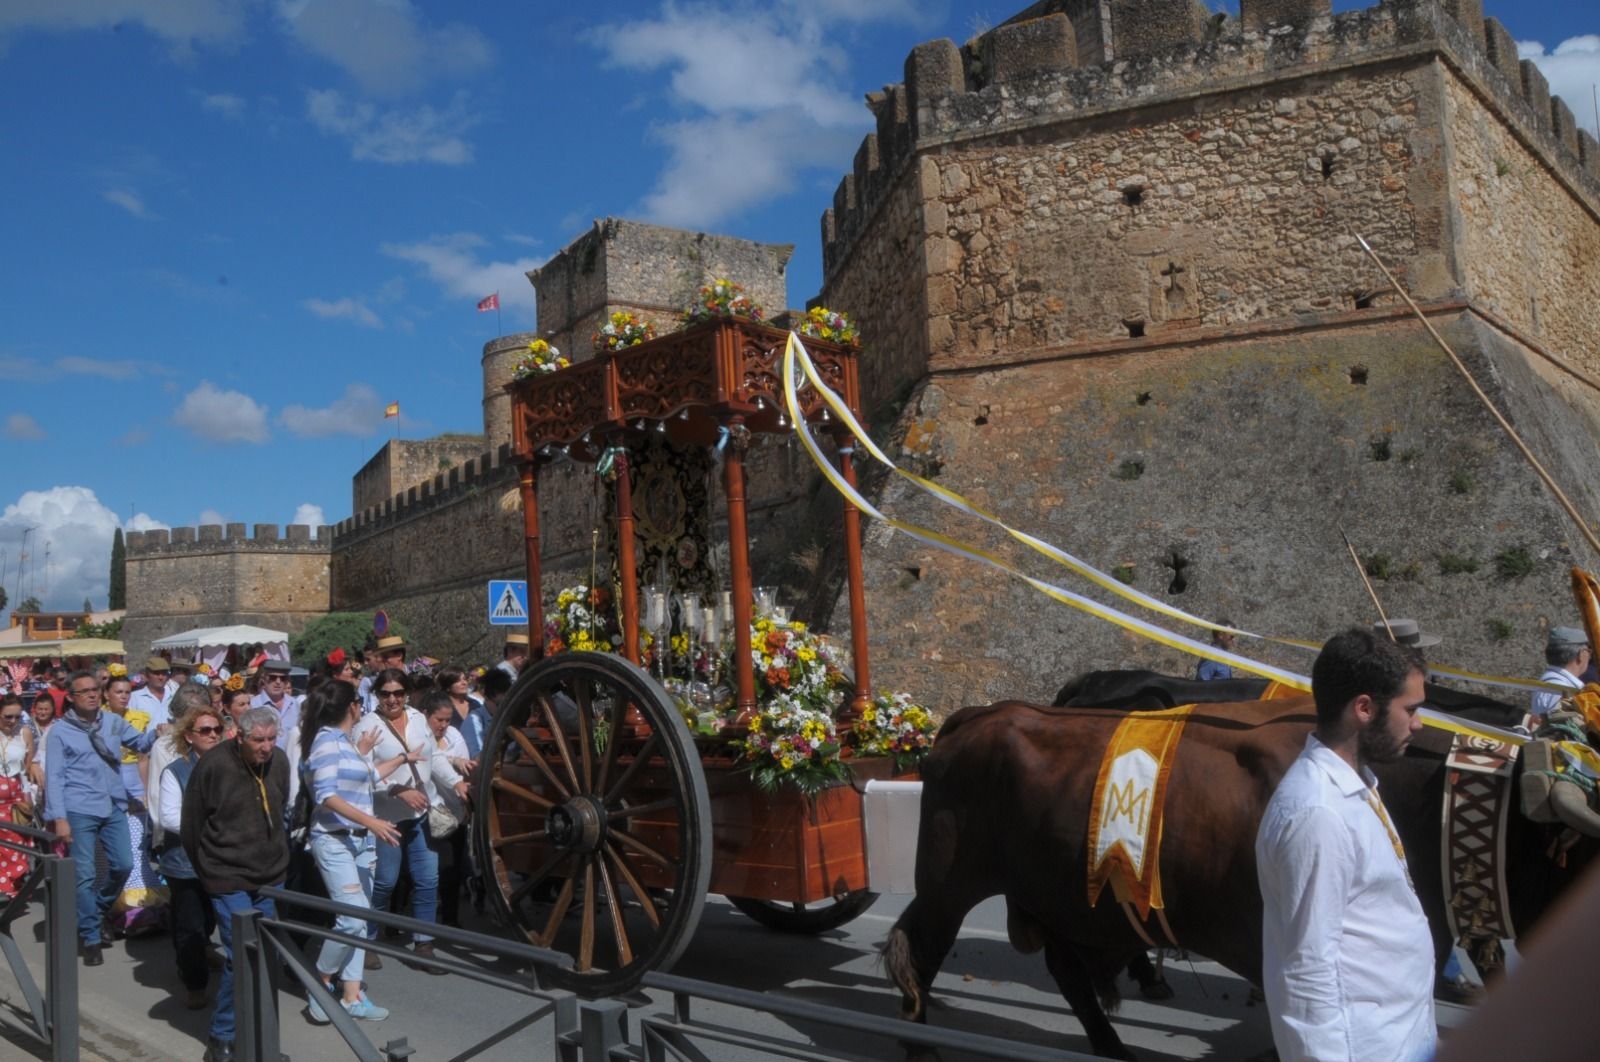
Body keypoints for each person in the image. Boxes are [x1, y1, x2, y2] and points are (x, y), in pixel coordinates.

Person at [1255, 627, 1434, 1062]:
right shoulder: (1319, 814)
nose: (1419, 723)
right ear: (1364, 708)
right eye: (1410, 709)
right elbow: (1307, 969)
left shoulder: (1357, 785)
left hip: (1400, 1035)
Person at [180, 707, 290, 1062]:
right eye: (258, 740)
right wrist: (209, 871)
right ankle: (223, 1034)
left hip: (269, 874)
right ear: (238, 737)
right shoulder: (213, 766)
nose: (266, 748)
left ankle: (260, 1031)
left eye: (272, 739)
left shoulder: (280, 761)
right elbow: (191, 825)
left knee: (266, 953)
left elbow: (282, 804)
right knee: (242, 952)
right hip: (227, 875)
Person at [44, 669, 162, 965]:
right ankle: (91, 937)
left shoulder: (112, 721)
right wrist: (59, 817)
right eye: (85, 691)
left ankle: (95, 912)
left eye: (96, 689)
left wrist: (159, 732)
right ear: (71, 698)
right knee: (84, 874)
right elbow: (55, 777)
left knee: (123, 864)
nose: (93, 694)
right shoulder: (60, 731)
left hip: (113, 804)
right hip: (79, 807)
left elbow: (141, 744)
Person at [301, 679, 400, 1023]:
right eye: (359, 703)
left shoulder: (344, 743)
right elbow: (326, 795)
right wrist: (371, 822)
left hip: (361, 841)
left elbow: (368, 776)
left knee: (362, 918)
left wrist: (404, 757)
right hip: (336, 839)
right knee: (352, 917)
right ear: (352, 707)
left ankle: (352, 995)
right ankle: (320, 980)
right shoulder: (325, 743)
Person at [355, 668, 462, 967]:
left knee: (428, 878)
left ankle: (423, 944)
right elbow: (359, 777)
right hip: (386, 817)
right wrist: (397, 790)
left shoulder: (417, 719)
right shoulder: (367, 726)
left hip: (420, 814)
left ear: (406, 693)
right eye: (386, 693)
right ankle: (367, 939)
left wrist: (455, 782)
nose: (393, 699)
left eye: (398, 693)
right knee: (385, 882)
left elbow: (434, 757)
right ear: (377, 695)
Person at [158, 703, 227, 1010]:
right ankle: (194, 982)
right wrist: (210, 827)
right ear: (189, 736)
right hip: (185, 863)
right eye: (205, 730)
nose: (213, 735)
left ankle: (204, 953)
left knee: (211, 918)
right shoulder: (175, 772)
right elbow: (168, 816)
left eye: (217, 729)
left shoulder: (231, 764)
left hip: (222, 860)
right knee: (190, 926)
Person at [421, 691, 472, 926]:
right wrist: (453, 764)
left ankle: (450, 919)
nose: (443, 725)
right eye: (438, 720)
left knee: (453, 870)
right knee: (425, 872)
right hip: (425, 810)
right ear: (426, 716)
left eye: (447, 720)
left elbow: (464, 767)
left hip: (453, 813)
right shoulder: (418, 736)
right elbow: (434, 761)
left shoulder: (454, 736)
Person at [0, 694, 37, 895]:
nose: (12, 721)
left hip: (15, 799)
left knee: (16, 845)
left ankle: (14, 888)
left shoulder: (24, 733)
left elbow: (27, 768)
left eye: (16, 717)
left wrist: (28, 798)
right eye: (7, 717)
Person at [1531, 626, 1589, 724]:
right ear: (1581, 654)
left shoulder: (1547, 683)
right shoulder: (1566, 690)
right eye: (1589, 651)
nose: (1589, 656)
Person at [250, 660, 301, 749]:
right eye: (273, 677)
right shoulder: (254, 705)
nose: (278, 682)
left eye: (282, 678)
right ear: (264, 679)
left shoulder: (295, 704)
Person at [128, 657, 176, 728]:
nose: (160, 677)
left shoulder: (174, 696)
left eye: (164, 673)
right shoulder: (135, 698)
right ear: (147, 675)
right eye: (156, 673)